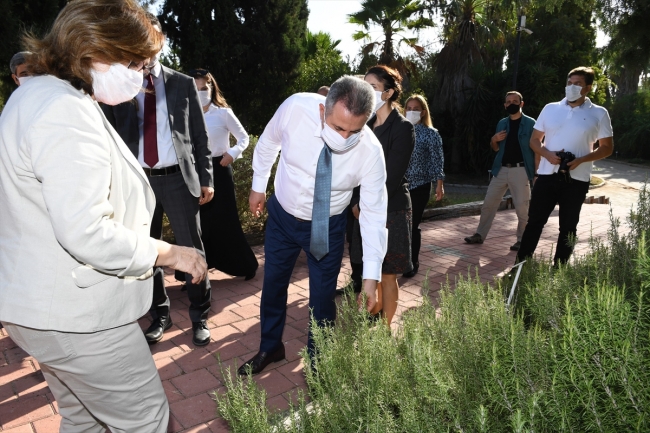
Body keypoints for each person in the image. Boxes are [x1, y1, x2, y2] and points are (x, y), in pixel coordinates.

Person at [0, 1, 208, 430]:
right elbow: (88, 230)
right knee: (149, 421)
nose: (141, 73)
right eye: (134, 61)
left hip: (40, 308)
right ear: (96, 50)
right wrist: (170, 253)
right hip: (78, 319)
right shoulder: (64, 111)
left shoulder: (38, 95)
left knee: (83, 418)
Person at [238, 76, 388, 375]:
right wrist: (258, 186)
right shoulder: (296, 108)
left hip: (326, 226)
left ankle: (318, 362)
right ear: (323, 110)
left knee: (322, 298)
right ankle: (270, 346)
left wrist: (371, 278)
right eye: (338, 127)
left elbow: (373, 214)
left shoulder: (370, 152)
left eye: (354, 130)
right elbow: (268, 143)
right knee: (273, 285)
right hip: (282, 217)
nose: (345, 138)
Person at [101, 13, 214, 347]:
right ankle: (159, 314)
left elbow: (200, 136)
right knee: (145, 251)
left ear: (159, 43)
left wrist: (206, 178)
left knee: (191, 248)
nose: (146, 56)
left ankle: (200, 315)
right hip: (137, 182)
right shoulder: (118, 83)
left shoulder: (181, 83)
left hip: (178, 180)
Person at [517, 67, 614, 265]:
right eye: (569, 83)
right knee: (534, 222)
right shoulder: (550, 108)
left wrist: (580, 159)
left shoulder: (599, 113)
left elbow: (607, 148)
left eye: (577, 84)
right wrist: (547, 154)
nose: (572, 87)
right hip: (546, 175)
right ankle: (520, 266)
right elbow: (535, 141)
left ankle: (558, 272)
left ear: (588, 87)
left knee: (568, 227)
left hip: (576, 179)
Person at [349, 65, 415, 326]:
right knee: (369, 272)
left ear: (387, 93)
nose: (366, 92)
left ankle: (384, 330)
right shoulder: (361, 125)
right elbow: (353, 171)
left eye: (372, 88)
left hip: (392, 211)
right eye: (363, 86)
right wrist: (355, 203)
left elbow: (393, 176)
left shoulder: (402, 128)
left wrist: (365, 206)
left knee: (387, 275)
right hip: (361, 209)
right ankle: (372, 319)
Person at [188, 68, 258, 279]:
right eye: (196, 87)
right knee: (199, 224)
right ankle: (197, 271)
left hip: (220, 168)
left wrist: (232, 153)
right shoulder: (185, 113)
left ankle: (245, 266)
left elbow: (243, 138)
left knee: (226, 221)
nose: (201, 91)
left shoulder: (223, 113)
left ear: (212, 87)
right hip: (195, 171)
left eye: (204, 87)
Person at [464, 91, 536, 251]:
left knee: (522, 207)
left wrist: (536, 174)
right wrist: (493, 140)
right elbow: (496, 149)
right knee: (489, 204)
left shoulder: (531, 124)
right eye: (508, 102)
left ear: (521, 104)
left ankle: (522, 240)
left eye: (515, 101)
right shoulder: (502, 123)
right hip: (501, 169)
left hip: (521, 170)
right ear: (505, 105)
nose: (511, 104)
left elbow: (536, 150)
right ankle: (479, 235)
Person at [402, 94, 445, 278]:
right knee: (398, 225)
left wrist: (439, 184)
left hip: (420, 186)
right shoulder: (400, 130)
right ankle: (398, 259)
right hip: (398, 186)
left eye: (415, 108)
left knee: (413, 225)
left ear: (423, 111)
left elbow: (437, 160)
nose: (411, 111)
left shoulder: (430, 133)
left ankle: (413, 262)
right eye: (408, 108)